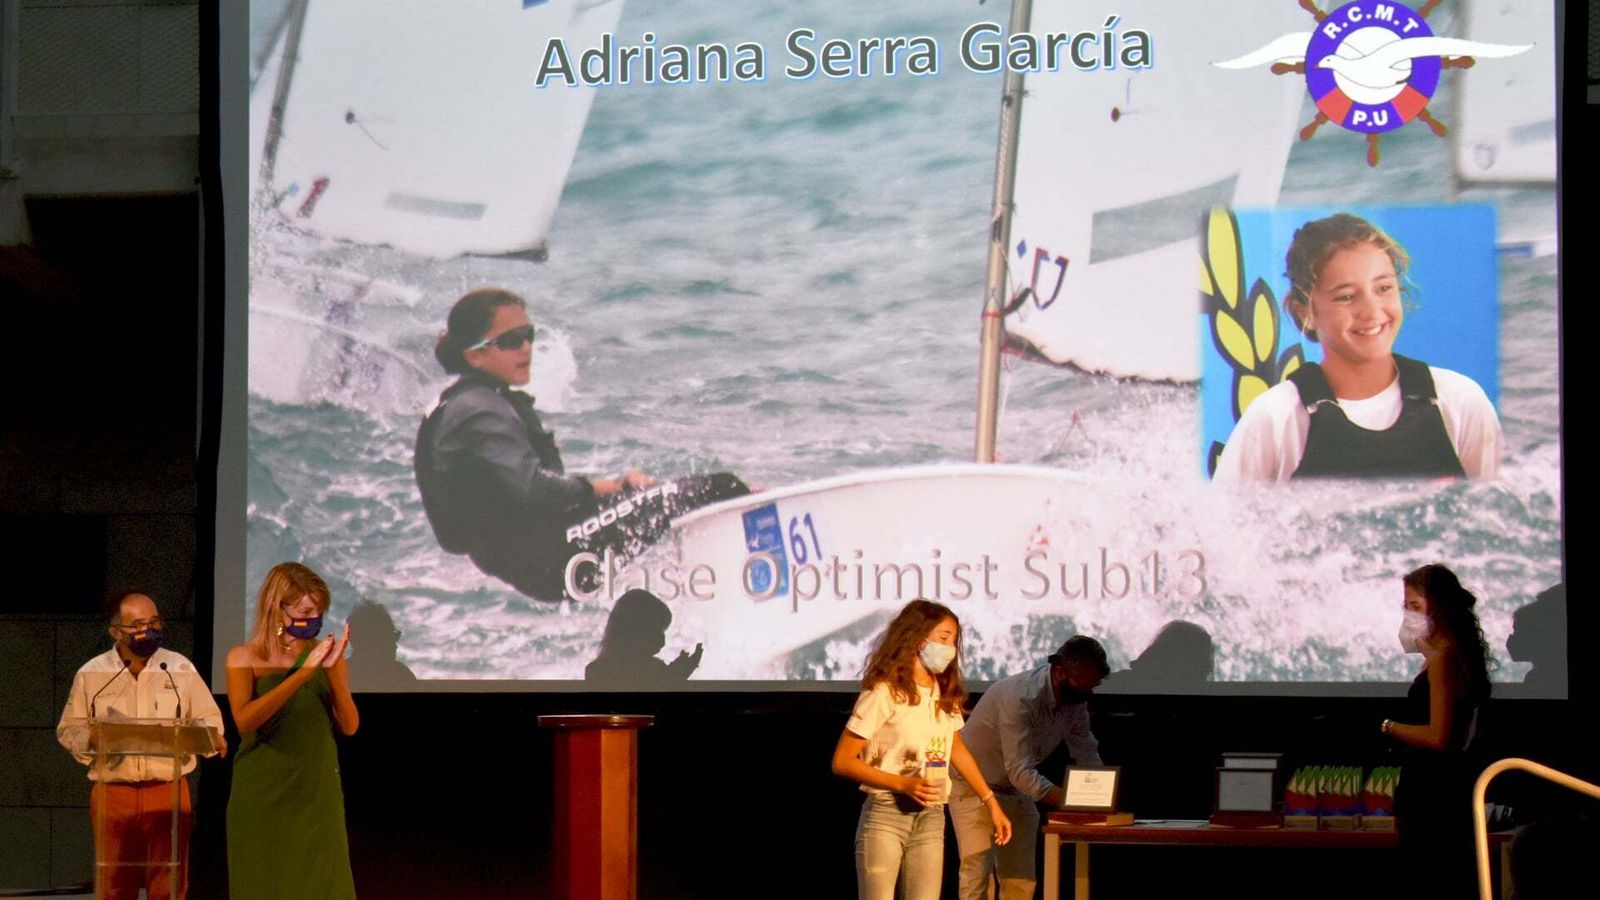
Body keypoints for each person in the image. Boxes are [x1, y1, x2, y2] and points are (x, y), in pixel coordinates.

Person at [414, 287, 750, 601]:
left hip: (538, 550)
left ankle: (731, 589)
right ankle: (775, 575)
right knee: (719, 486)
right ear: (475, 356)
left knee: (660, 497)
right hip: (548, 557)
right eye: (511, 341)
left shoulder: (477, 401)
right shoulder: (477, 410)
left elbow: (532, 491)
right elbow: (533, 489)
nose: (526, 348)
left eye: (528, 336)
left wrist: (617, 490)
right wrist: (604, 487)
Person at [1213, 212, 1501, 482]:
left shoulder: (1460, 400)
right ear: (1305, 312)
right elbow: (1223, 525)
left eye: (1384, 288)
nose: (1372, 312)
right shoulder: (1275, 418)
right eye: (1347, 297)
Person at [830, 599, 1012, 900]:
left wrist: (990, 803)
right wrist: (903, 783)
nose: (950, 648)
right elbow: (842, 761)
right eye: (943, 638)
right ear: (917, 637)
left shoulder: (943, 693)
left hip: (932, 815)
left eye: (954, 641)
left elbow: (956, 748)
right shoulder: (884, 692)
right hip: (888, 813)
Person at [56, 590, 226, 900]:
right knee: (114, 881)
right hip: (114, 792)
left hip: (167, 791)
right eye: (136, 625)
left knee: (169, 882)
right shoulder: (93, 674)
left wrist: (210, 738)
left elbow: (210, 720)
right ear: (115, 631)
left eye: (153, 622)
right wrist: (96, 739)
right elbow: (69, 729)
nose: (146, 630)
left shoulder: (178, 669)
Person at [225, 562, 359, 900]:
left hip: (315, 791)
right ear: (277, 607)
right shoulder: (244, 656)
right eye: (305, 610)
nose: (313, 618)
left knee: (322, 882)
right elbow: (245, 721)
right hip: (263, 790)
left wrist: (330, 674)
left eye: (318, 611)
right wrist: (300, 676)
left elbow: (350, 725)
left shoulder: (324, 654)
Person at [950, 635, 1109, 900]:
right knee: (978, 876)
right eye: (1082, 688)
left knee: (1021, 879)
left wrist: (1103, 796)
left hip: (1014, 788)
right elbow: (1020, 770)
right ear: (1060, 672)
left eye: (1090, 689)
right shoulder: (1020, 696)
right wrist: (1071, 801)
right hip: (973, 784)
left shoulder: (1076, 701)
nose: (1085, 696)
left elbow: (1085, 750)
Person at [1379, 564, 1493, 896]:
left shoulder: (1444, 660)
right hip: (1442, 790)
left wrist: (1388, 726)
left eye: (1415, 606)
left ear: (1438, 609)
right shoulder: (1450, 656)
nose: (1408, 615)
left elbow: (1438, 735)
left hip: (1433, 795)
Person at [584, 588, 702, 688]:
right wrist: (674, 675)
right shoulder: (599, 672)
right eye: (655, 630)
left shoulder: (597, 670)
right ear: (634, 628)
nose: (662, 641)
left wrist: (676, 673)